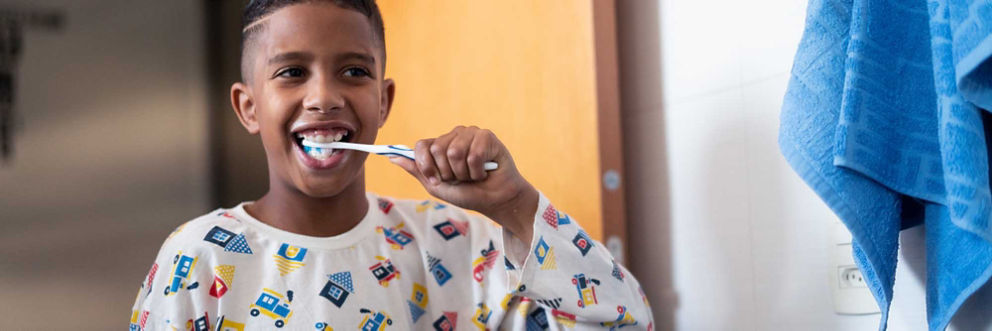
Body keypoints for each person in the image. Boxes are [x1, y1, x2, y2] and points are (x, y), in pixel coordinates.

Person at [129, 1, 652, 329]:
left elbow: (623, 323)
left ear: (383, 101)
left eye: (353, 71)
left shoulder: (458, 243)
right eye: (291, 72)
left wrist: (517, 206)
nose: (323, 97)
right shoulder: (196, 260)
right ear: (248, 107)